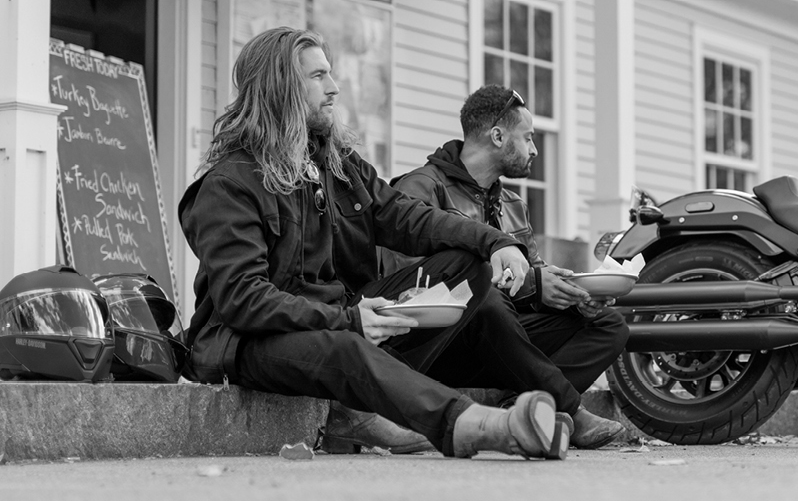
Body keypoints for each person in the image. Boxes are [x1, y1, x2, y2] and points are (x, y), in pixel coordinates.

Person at [179, 26, 570, 461]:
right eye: (318, 77)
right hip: (249, 339)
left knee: (467, 265)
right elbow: (242, 300)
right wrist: (347, 320)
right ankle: (482, 426)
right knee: (346, 347)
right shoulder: (230, 184)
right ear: (279, 88)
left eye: (331, 74)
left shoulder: (337, 166)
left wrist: (495, 242)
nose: (334, 88)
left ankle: (362, 405)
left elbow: (409, 216)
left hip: (337, 317)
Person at [384, 85, 629, 450]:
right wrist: (532, 285)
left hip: (500, 341)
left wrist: (569, 294)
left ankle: (520, 405)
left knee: (608, 324)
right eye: (528, 137)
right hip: (437, 344)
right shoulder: (420, 187)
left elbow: (532, 274)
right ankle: (567, 408)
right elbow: (413, 285)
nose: (534, 149)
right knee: (485, 297)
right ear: (498, 136)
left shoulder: (513, 203)